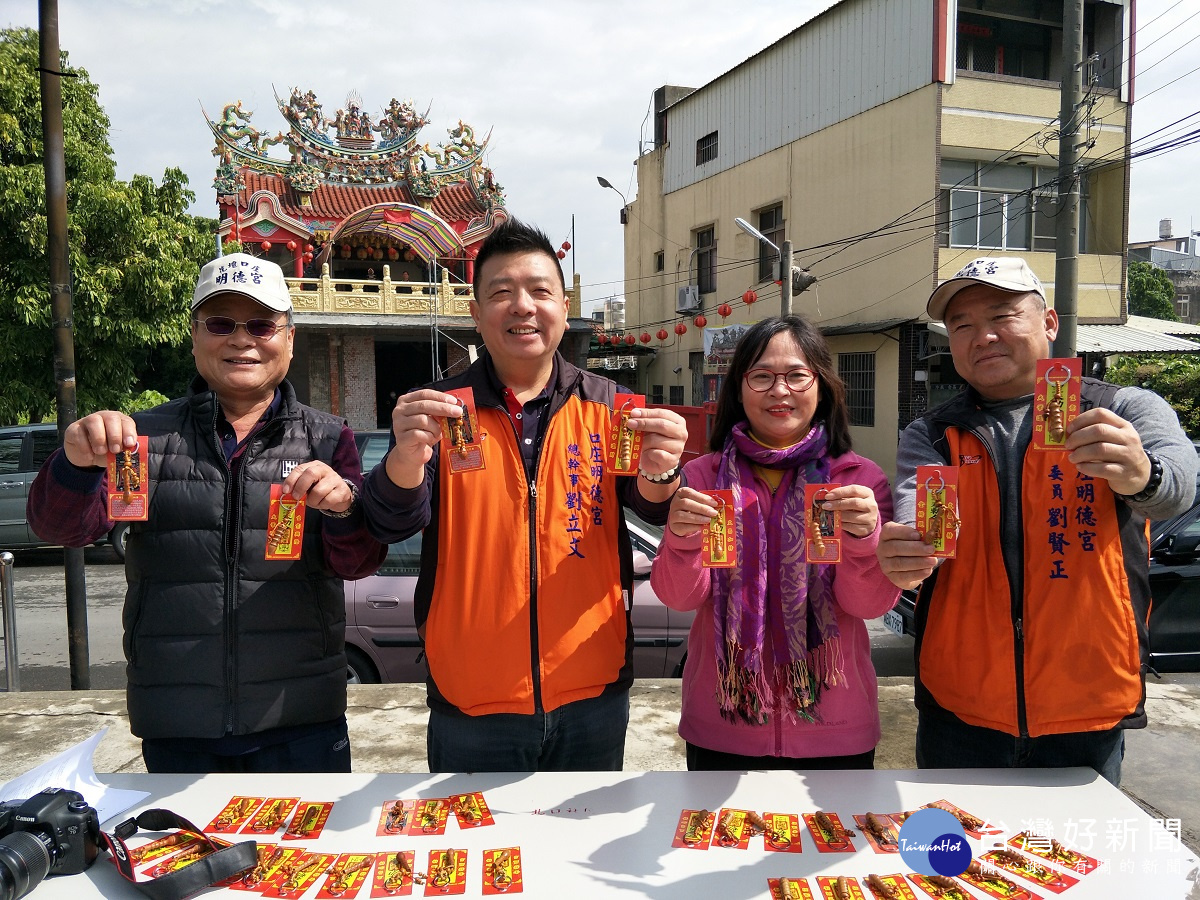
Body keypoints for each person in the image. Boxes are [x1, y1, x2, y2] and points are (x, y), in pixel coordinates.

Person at [28, 253, 387, 774]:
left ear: (289, 336)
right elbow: (63, 528)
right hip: (178, 720)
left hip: (300, 716)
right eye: (221, 324)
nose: (242, 340)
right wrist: (77, 463)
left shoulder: (329, 438)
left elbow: (356, 563)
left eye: (262, 324)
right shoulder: (140, 438)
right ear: (194, 335)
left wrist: (345, 507)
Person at [360, 218, 687, 772]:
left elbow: (653, 506)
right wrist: (402, 461)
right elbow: (390, 522)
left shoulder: (612, 407)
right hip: (472, 701)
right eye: (501, 293)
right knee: (472, 858)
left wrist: (662, 471)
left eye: (539, 291)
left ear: (563, 306)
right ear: (475, 314)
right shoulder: (439, 411)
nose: (522, 307)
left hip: (592, 693)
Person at [877, 256, 1197, 785]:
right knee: (946, 862)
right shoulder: (932, 434)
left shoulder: (1122, 410)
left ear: (1048, 323)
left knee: (1073, 860)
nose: (983, 337)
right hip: (959, 707)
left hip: (1085, 704)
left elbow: (1178, 490)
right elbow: (915, 513)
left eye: (1002, 316)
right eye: (962, 326)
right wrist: (905, 554)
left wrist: (1143, 473)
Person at [650, 316, 899, 770]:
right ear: (739, 390)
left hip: (835, 728)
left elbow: (869, 605)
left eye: (796, 375)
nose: (779, 391)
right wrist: (682, 540)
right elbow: (679, 597)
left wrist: (866, 540)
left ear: (821, 385)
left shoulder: (858, 480)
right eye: (762, 376)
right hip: (723, 725)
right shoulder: (704, 478)